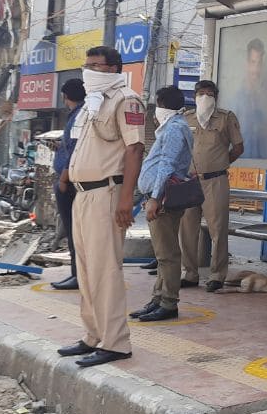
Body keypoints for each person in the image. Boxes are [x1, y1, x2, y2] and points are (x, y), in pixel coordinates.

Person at [57, 46, 145, 368]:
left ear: (114, 69)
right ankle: (93, 335)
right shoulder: (94, 103)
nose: (90, 70)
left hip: (107, 193)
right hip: (84, 195)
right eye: (87, 64)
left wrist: (126, 199)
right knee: (86, 269)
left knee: (106, 270)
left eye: (97, 65)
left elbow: (134, 149)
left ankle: (116, 342)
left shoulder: (127, 99)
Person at [132, 86, 196, 323]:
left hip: (164, 199)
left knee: (167, 254)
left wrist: (155, 199)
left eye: (157, 105)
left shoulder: (174, 129)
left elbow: (167, 165)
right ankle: (157, 298)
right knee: (162, 254)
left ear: (162, 105)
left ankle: (168, 302)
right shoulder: (173, 127)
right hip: (162, 197)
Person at [178, 80, 244, 293]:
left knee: (218, 228)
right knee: (187, 229)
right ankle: (190, 273)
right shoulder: (186, 118)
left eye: (209, 93)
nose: (205, 97)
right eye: (201, 93)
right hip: (189, 181)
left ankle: (217, 274)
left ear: (215, 97)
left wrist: (221, 162)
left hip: (215, 180)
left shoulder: (226, 118)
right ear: (195, 96)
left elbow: (238, 147)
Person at [50, 78, 86, 291]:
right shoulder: (77, 114)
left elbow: (75, 150)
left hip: (70, 182)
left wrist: (63, 180)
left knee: (74, 231)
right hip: (71, 178)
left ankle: (77, 274)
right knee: (73, 231)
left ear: (66, 97)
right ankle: (76, 273)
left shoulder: (78, 116)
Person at [239, 38, 267, 159]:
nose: (256, 70)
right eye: (253, 62)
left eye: (259, 63)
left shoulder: (263, 101)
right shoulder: (237, 100)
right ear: (246, 63)